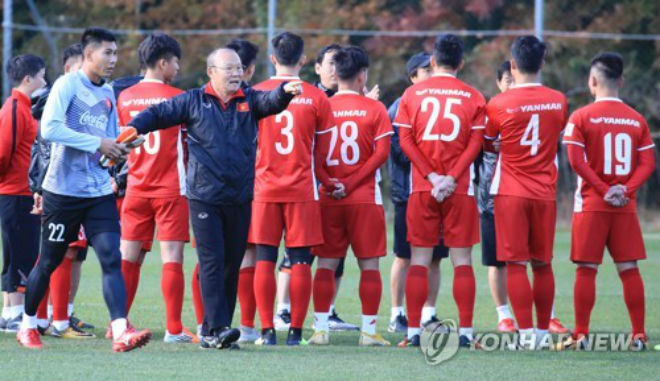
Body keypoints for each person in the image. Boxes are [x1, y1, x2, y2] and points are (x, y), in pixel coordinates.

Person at [128, 47, 302, 350]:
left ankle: (212, 330)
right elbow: (158, 113)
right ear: (212, 72)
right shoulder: (193, 100)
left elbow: (271, 102)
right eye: (229, 69)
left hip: (239, 197)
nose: (237, 73)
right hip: (204, 198)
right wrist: (134, 126)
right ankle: (219, 327)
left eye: (239, 68)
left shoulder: (249, 99)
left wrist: (285, 93)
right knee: (212, 261)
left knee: (231, 264)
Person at [18, 27, 152, 352]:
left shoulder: (107, 93)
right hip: (62, 192)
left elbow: (107, 141)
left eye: (116, 53)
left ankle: (120, 330)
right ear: (89, 54)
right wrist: (100, 143)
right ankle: (27, 323)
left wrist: (123, 145)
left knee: (110, 256)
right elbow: (49, 129)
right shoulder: (67, 85)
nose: (113, 60)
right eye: (108, 53)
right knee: (48, 263)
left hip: (97, 192)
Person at [557, 52, 655, 350]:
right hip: (624, 206)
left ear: (592, 81)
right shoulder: (637, 119)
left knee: (587, 269)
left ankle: (582, 335)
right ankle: (638, 335)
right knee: (629, 269)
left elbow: (575, 160)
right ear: (621, 81)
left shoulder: (581, 117)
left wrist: (603, 189)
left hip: (592, 204)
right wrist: (625, 190)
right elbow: (647, 163)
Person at [394, 34, 485, 348]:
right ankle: (466, 334)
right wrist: (451, 178)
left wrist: (432, 177)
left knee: (419, 259)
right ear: (461, 62)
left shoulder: (412, 94)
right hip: (459, 190)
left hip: (422, 187)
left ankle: (414, 333)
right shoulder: (474, 97)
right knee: (462, 261)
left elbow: (406, 142)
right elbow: (475, 145)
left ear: (433, 62)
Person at [250, 32, 335, 346]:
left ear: (272, 59)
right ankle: (296, 333)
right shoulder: (317, 97)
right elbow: (322, 153)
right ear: (302, 60)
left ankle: (266, 331)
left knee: (264, 259)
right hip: (302, 190)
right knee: (300, 260)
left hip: (264, 190)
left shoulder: (254, 93)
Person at [484, 36, 568, 349]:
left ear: (514, 65)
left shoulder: (498, 103)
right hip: (545, 191)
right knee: (543, 264)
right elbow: (555, 135)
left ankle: (526, 335)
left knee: (516, 264)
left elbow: (490, 144)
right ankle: (544, 334)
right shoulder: (558, 99)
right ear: (542, 63)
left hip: (511, 191)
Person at [307, 45, 393, 346]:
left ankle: (320, 330)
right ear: (362, 75)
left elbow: (313, 154)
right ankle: (369, 333)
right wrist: (352, 183)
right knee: (369, 265)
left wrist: (331, 183)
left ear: (336, 74)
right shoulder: (375, 108)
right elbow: (381, 154)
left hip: (328, 199)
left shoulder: (320, 106)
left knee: (326, 265)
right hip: (365, 199)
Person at [117, 33, 197, 343]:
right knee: (172, 257)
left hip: (136, 186)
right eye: (176, 61)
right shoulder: (178, 96)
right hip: (170, 187)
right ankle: (174, 329)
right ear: (163, 62)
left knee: (129, 256)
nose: (178, 67)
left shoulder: (125, 97)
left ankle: (118, 324)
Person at [28, 43, 96, 338]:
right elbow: (45, 149)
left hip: (63, 188)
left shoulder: (78, 104)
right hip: (64, 190)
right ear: (70, 70)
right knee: (62, 253)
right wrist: (41, 187)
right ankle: (57, 321)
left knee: (63, 254)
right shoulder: (59, 105)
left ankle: (51, 317)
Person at [387, 52, 449, 334]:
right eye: (426, 70)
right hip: (409, 193)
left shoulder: (445, 102)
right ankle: (397, 313)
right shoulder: (399, 106)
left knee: (435, 257)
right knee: (405, 255)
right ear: (412, 77)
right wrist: (431, 166)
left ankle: (428, 313)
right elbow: (398, 151)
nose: (432, 73)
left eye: (433, 68)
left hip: (438, 194)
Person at [0, 54, 46, 334]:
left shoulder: (24, 107)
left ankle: (8, 312)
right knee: (21, 252)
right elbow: (4, 151)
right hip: (16, 194)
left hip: (19, 192)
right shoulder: (15, 108)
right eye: (41, 75)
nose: (44, 81)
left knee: (19, 251)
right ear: (28, 79)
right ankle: (15, 312)